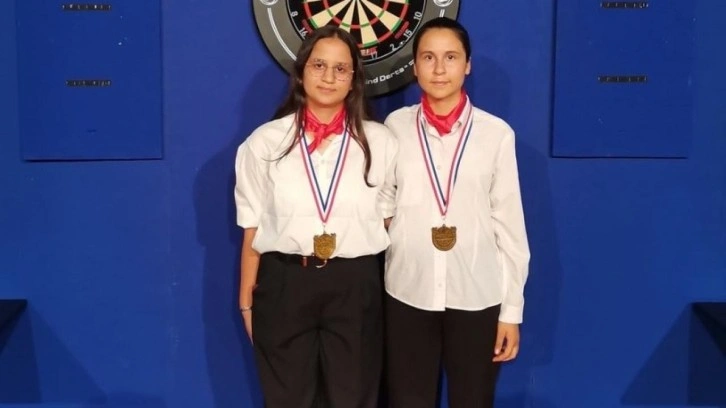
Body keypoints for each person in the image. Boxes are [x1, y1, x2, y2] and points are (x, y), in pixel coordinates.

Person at [233, 25, 397, 408]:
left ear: (353, 79)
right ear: (302, 71)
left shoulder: (380, 142)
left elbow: (387, 219)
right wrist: (246, 300)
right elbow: (252, 226)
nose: (329, 77)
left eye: (341, 68)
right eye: (319, 65)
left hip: (354, 284)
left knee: (353, 398)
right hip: (286, 282)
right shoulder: (264, 143)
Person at [382, 17, 531, 408]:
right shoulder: (394, 127)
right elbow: (382, 200)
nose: (439, 68)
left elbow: (510, 226)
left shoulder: (496, 134)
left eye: (450, 57)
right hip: (408, 293)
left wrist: (511, 311)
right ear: (415, 66)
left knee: (473, 400)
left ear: (467, 65)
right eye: (428, 57)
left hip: (476, 296)